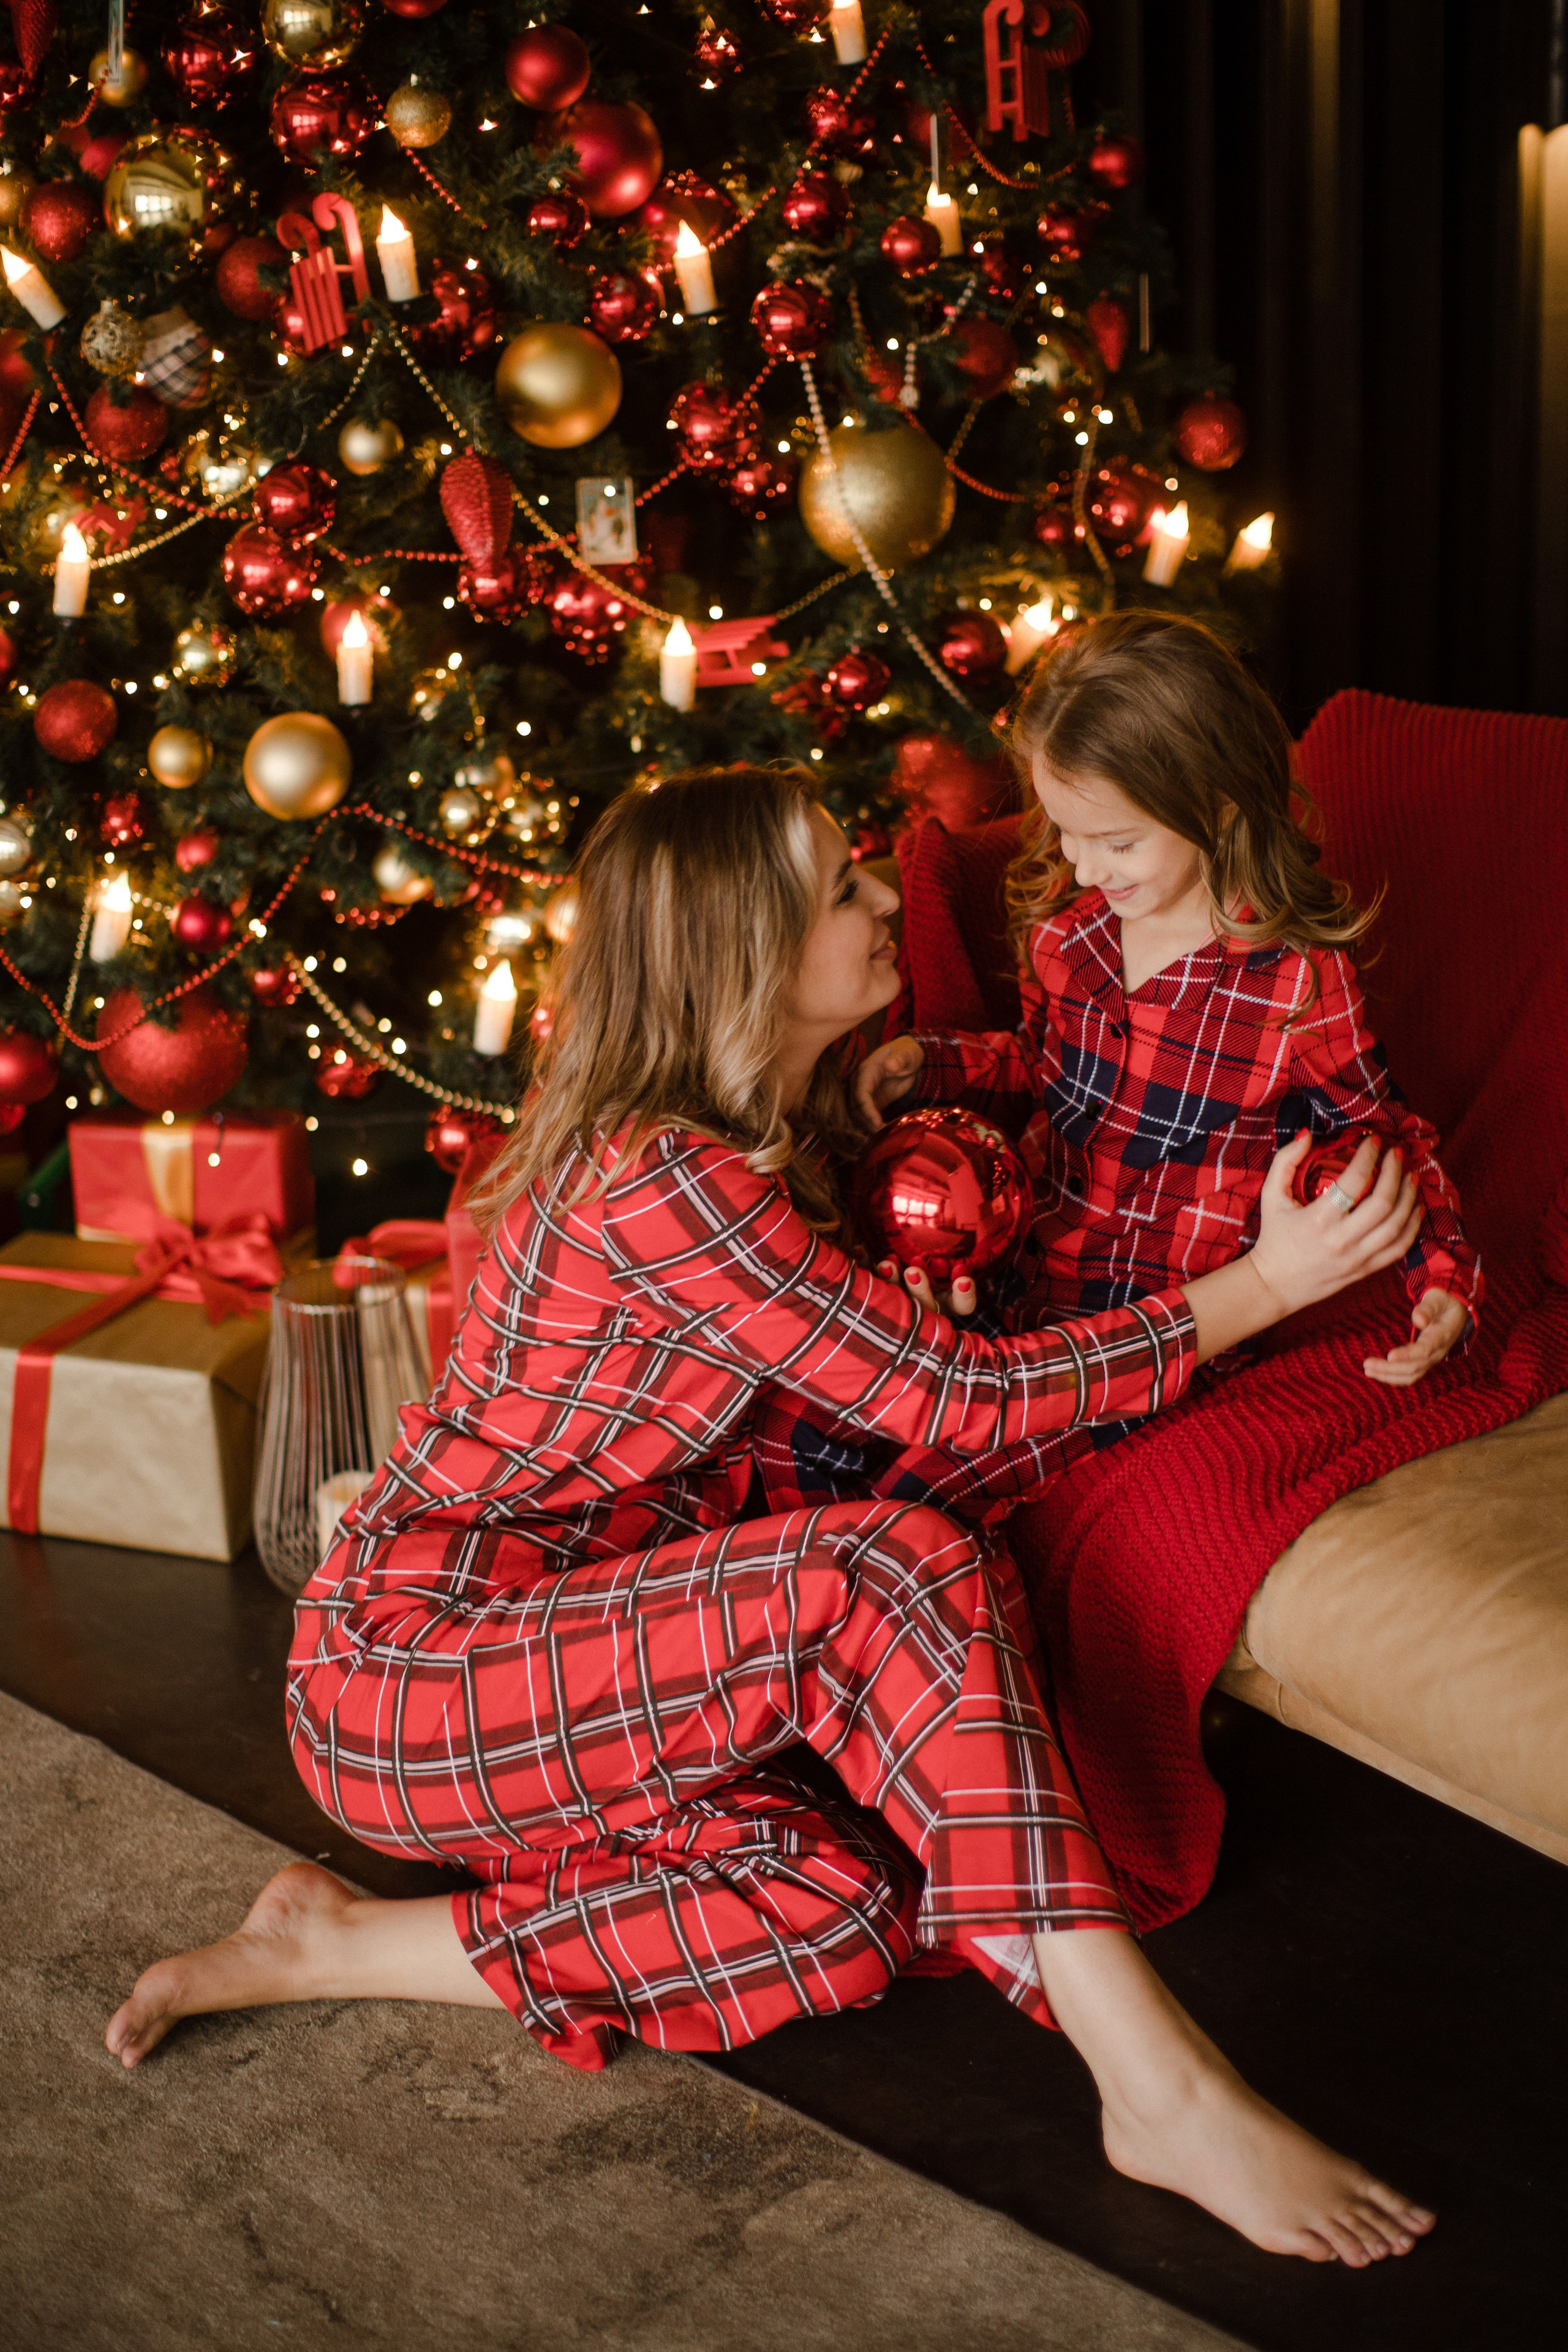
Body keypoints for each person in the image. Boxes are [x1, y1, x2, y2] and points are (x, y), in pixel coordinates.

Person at [106, 766, 1434, 2269]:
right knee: (885, 1565)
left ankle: (338, 1944)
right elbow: (954, 1402)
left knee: (837, 1908)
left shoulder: (747, 1131)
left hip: (596, 1654)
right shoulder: (660, 1177)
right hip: (412, 1673)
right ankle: (1157, 2084)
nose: (886, 901)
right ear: (744, 957)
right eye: (840, 894)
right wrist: (1260, 1288)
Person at [832, 610, 1480, 1516]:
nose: (1082, 864)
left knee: (918, 1493)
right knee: (832, 1435)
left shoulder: (1295, 981)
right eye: (1063, 829)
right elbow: (1039, 1062)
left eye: (1117, 840)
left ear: (1216, 806)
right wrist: (928, 1061)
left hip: (1162, 1335)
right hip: (1022, 1285)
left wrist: (1444, 1280)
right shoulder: (1071, 937)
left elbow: (1382, 1140)